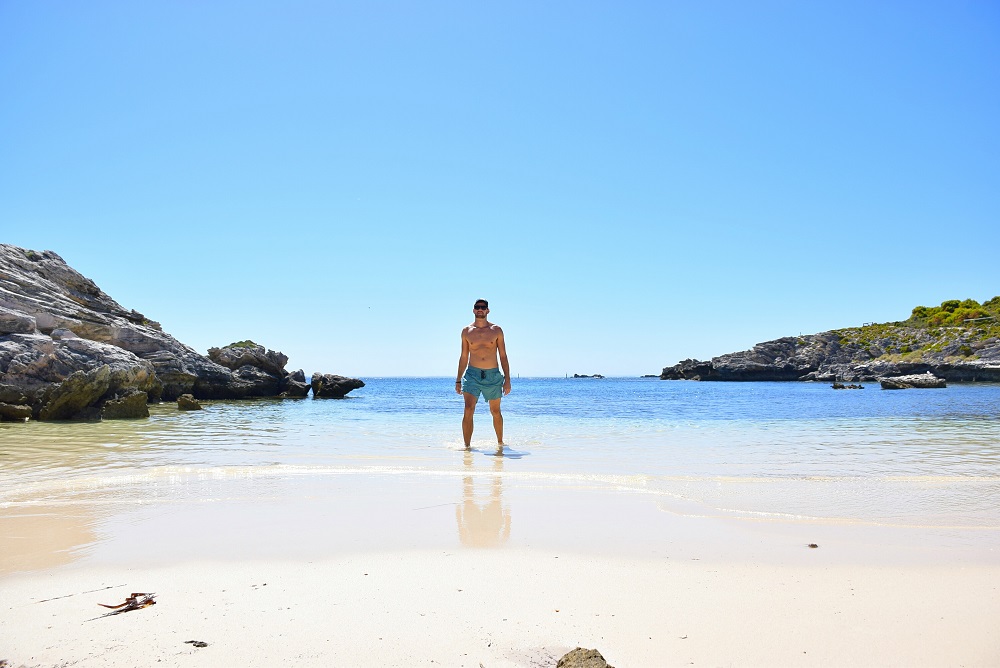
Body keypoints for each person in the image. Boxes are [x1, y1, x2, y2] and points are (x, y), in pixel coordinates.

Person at [456, 299, 511, 452]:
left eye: (483, 307)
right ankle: (467, 447)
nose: (480, 309)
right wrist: (458, 380)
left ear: (488, 310)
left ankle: (500, 444)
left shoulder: (496, 330)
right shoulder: (466, 331)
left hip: (492, 376)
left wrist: (507, 379)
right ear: (473, 310)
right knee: (468, 409)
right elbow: (463, 357)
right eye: (477, 307)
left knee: (495, 411)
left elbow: (503, 356)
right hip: (472, 374)